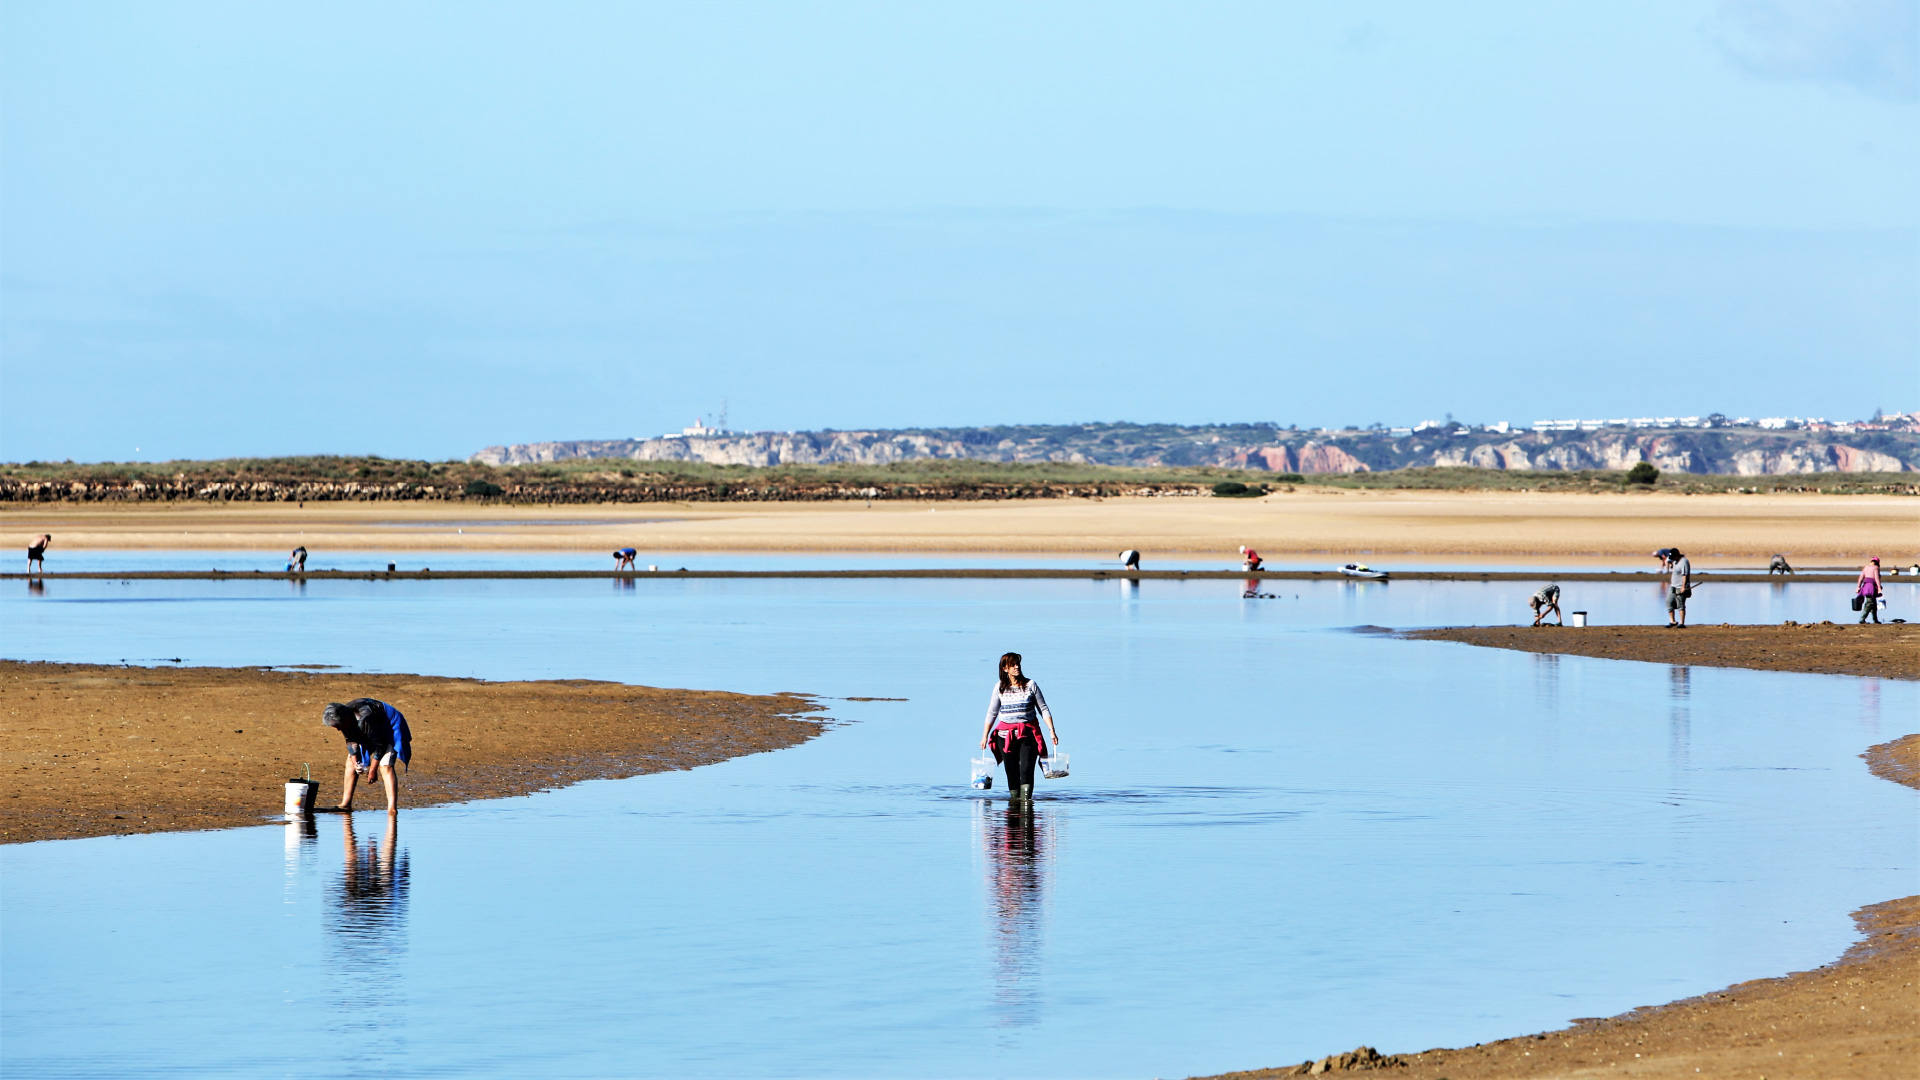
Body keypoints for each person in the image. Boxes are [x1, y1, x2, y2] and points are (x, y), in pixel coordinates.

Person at [978, 652, 1061, 804]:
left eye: (1018, 664)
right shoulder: (999, 688)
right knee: (1011, 771)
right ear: (1005, 669)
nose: (1017, 667)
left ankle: (1026, 805)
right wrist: (985, 736)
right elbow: (992, 712)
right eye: (1013, 665)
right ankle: (1015, 804)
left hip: (1028, 735)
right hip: (1005, 736)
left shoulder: (1031, 685)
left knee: (1026, 769)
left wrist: (1052, 731)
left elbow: (1043, 709)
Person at [323, 698, 412, 814]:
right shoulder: (345, 719)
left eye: (339, 726)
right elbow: (350, 740)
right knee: (350, 762)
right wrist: (355, 763)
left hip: (390, 725)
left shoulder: (364, 716)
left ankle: (392, 809)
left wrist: (372, 770)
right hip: (371, 730)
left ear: (346, 719)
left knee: (386, 766)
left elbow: (380, 744)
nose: (339, 729)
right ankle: (345, 803)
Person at [1665, 548, 1693, 628]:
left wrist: (1683, 586)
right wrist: (1671, 564)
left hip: (1680, 586)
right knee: (1669, 602)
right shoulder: (1674, 561)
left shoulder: (1684, 561)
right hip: (1673, 586)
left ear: (1677, 555)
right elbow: (1674, 569)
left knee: (1680, 604)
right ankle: (1673, 621)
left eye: (1673, 557)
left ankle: (1681, 623)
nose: (1672, 559)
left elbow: (1685, 575)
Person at [1857, 557, 1883, 625]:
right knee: (1869, 603)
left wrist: (1858, 587)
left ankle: (1875, 620)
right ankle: (1862, 619)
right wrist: (1879, 588)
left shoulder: (1866, 567)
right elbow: (1877, 578)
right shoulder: (1875, 568)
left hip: (1865, 587)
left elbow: (1861, 578)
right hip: (1871, 587)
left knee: (1873, 604)